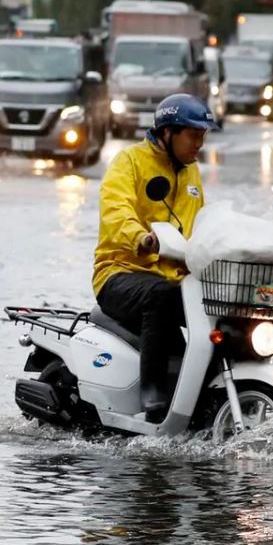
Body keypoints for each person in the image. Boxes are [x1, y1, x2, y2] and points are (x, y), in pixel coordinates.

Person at [93, 93, 217, 420]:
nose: (199, 144)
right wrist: (142, 238)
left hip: (173, 281)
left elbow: (199, 225)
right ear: (167, 132)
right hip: (119, 274)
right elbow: (116, 212)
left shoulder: (191, 173)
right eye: (193, 135)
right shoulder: (129, 162)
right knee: (159, 296)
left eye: (203, 136)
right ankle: (153, 393)